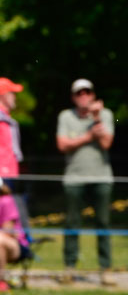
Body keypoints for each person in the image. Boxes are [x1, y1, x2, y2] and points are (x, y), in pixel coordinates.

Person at [56, 78, 115, 286]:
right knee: (72, 223)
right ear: (73, 97)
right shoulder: (65, 116)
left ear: (93, 95)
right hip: (74, 178)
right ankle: (69, 269)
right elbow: (62, 145)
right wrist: (89, 135)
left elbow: (106, 143)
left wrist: (97, 118)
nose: (84, 96)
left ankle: (105, 270)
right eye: (79, 93)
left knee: (103, 223)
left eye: (87, 92)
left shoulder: (105, 115)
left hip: (101, 178)